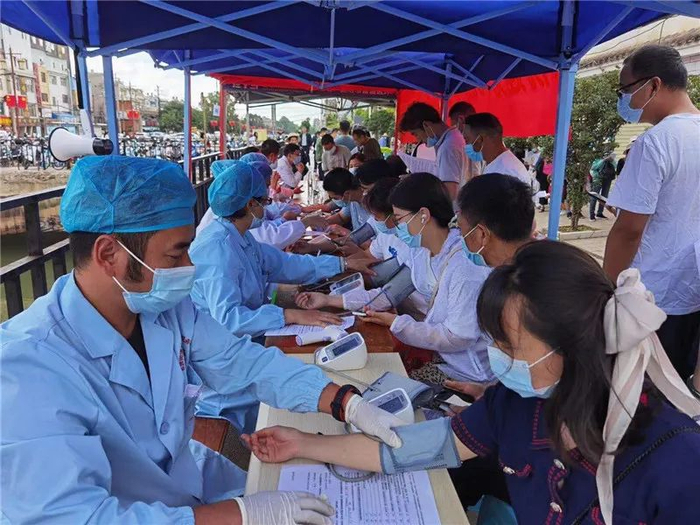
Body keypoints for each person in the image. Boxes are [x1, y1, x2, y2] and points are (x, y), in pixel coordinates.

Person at [0, 156, 403, 524]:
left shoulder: (162, 310)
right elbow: (70, 517)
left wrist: (343, 401)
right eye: (175, 256)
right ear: (109, 255)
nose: (190, 266)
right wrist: (242, 515)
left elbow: (243, 362)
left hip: (188, 483)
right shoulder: (27, 368)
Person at [247, 241, 700, 525]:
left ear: (571, 346)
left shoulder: (676, 461)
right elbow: (412, 447)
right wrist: (304, 444)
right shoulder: (517, 404)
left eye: (508, 346)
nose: (496, 357)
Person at [301, 173, 494, 385]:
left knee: (376, 382)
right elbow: (388, 295)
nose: (396, 226)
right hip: (437, 351)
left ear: (423, 215)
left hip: (466, 371)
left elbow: (457, 337)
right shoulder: (420, 251)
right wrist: (328, 300)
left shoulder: (464, 267)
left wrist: (397, 323)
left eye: (399, 219)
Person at [189, 161, 370, 341]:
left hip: (246, 331)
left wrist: (341, 264)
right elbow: (229, 319)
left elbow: (283, 264)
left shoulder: (240, 236)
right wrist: (289, 315)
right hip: (220, 343)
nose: (267, 207)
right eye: (265, 202)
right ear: (250, 204)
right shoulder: (217, 249)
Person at [604, 44, 700, 379]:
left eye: (627, 90)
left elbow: (629, 230)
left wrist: (606, 291)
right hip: (692, 292)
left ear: (654, 85)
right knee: (677, 389)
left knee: (637, 391)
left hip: (649, 299)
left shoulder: (655, 142)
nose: (625, 100)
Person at [399, 102, 466, 200]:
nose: (418, 140)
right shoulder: (455, 137)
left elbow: (450, 192)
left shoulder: (447, 147)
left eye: (415, 134)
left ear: (426, 125)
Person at [462, 113, 530, 185]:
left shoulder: (505, 172)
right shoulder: (497, 165)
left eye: (466, 139)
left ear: (480, 139)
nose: (465, 145)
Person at [323, 167, 372, 233]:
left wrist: (344, 232)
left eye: (335, 198)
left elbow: (373, 239)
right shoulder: (351, 201)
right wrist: (322, 222)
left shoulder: (372, 205)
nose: (335, 201)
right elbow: (341, 217)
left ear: (347, 193)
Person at [449, 101, 483, 183]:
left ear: (461, 119)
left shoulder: (456, 142)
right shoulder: (482, 140)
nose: (454, 131)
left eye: (453, 126)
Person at [588, 153, 617, 220]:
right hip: (598, 179)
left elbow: (615, 167)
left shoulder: (612, 161)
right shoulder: (597, 159)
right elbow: (593, 167)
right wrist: (603, 160)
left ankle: (600, 213)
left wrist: (611, 160)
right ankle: (592, 215)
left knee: (604, 197)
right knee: (594, 196)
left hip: (607, 179)